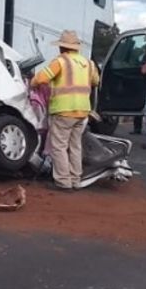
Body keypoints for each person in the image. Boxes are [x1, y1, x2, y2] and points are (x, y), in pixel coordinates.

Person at [30, 30, 100, 191]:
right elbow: (96, 81)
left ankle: (63, 181)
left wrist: (32, 83)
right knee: (75, 145)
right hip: (82, 112)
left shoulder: (60, 62)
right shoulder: (89, 63)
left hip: (63, 111)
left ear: (62, 47)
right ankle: (76, 179)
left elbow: (40, 78)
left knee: (59, 146)